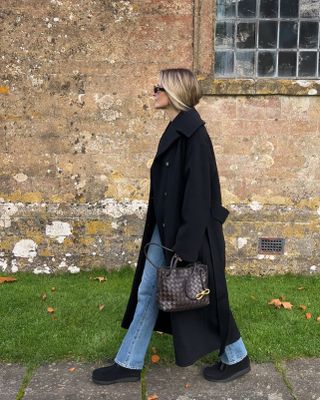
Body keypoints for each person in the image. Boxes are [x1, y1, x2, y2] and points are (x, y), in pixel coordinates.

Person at [92, 68, 250, 385]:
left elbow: (198, 196)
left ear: (174, 92)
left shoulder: (194, 135)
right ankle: (129, 362)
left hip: (186, 233)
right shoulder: (178, 128)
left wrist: (186, 247)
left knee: (204, 294)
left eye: (158, 87)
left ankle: (235, 357)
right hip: (166, 229)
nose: (153, 93)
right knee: (152, 290)